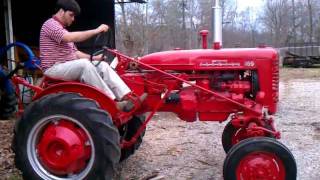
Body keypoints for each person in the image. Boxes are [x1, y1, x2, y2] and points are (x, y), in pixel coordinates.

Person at [39, 0, 146, 111]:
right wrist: (96, 30)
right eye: (71, 15)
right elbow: (69, 37)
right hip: (54, 68)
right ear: (61, 11)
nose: (73, 19)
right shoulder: (50, 25)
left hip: (67, 66)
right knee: (84, 65)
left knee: (102, 65)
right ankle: (111, 103)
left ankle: (128, 97)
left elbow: (76, 53)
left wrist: (95, 58)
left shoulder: (62, 30)